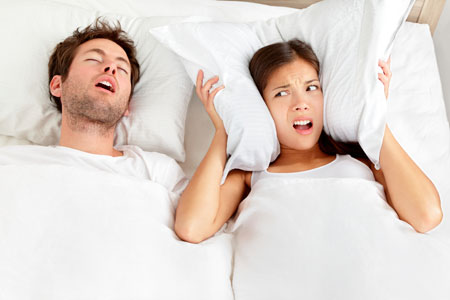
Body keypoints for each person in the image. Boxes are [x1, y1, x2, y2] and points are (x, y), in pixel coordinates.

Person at [174, 39, 443, 244]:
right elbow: (192, 227)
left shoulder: (363, 162)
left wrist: (374, 115)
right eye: (282, 93)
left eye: (311, 88)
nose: (301, 103)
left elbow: (426, 215)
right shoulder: (250, 175)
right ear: (261, 106)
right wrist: (224, 131)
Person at [0, 18, 186, 197]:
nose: (111, 68)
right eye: (94, 59)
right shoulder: (9, 163)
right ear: (58, 85)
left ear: (126, 106)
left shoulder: (158, 173)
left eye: (122, 69)